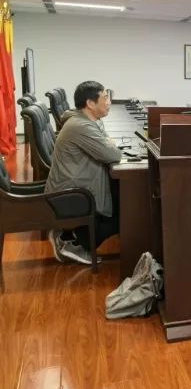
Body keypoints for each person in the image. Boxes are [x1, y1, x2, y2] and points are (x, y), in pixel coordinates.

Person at [45, 81, 123, 264]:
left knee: (123, 197)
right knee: (127, 213)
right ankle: (73, 242)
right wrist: (109, 144)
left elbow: (106, 142)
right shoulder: (81, 126)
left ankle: (71, 236)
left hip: (78, 183)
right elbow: (113, 154)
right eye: (105, 98)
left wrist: (107, 143)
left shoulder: (86, 121)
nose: (109, 102)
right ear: (90, 103)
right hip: (73, 192)